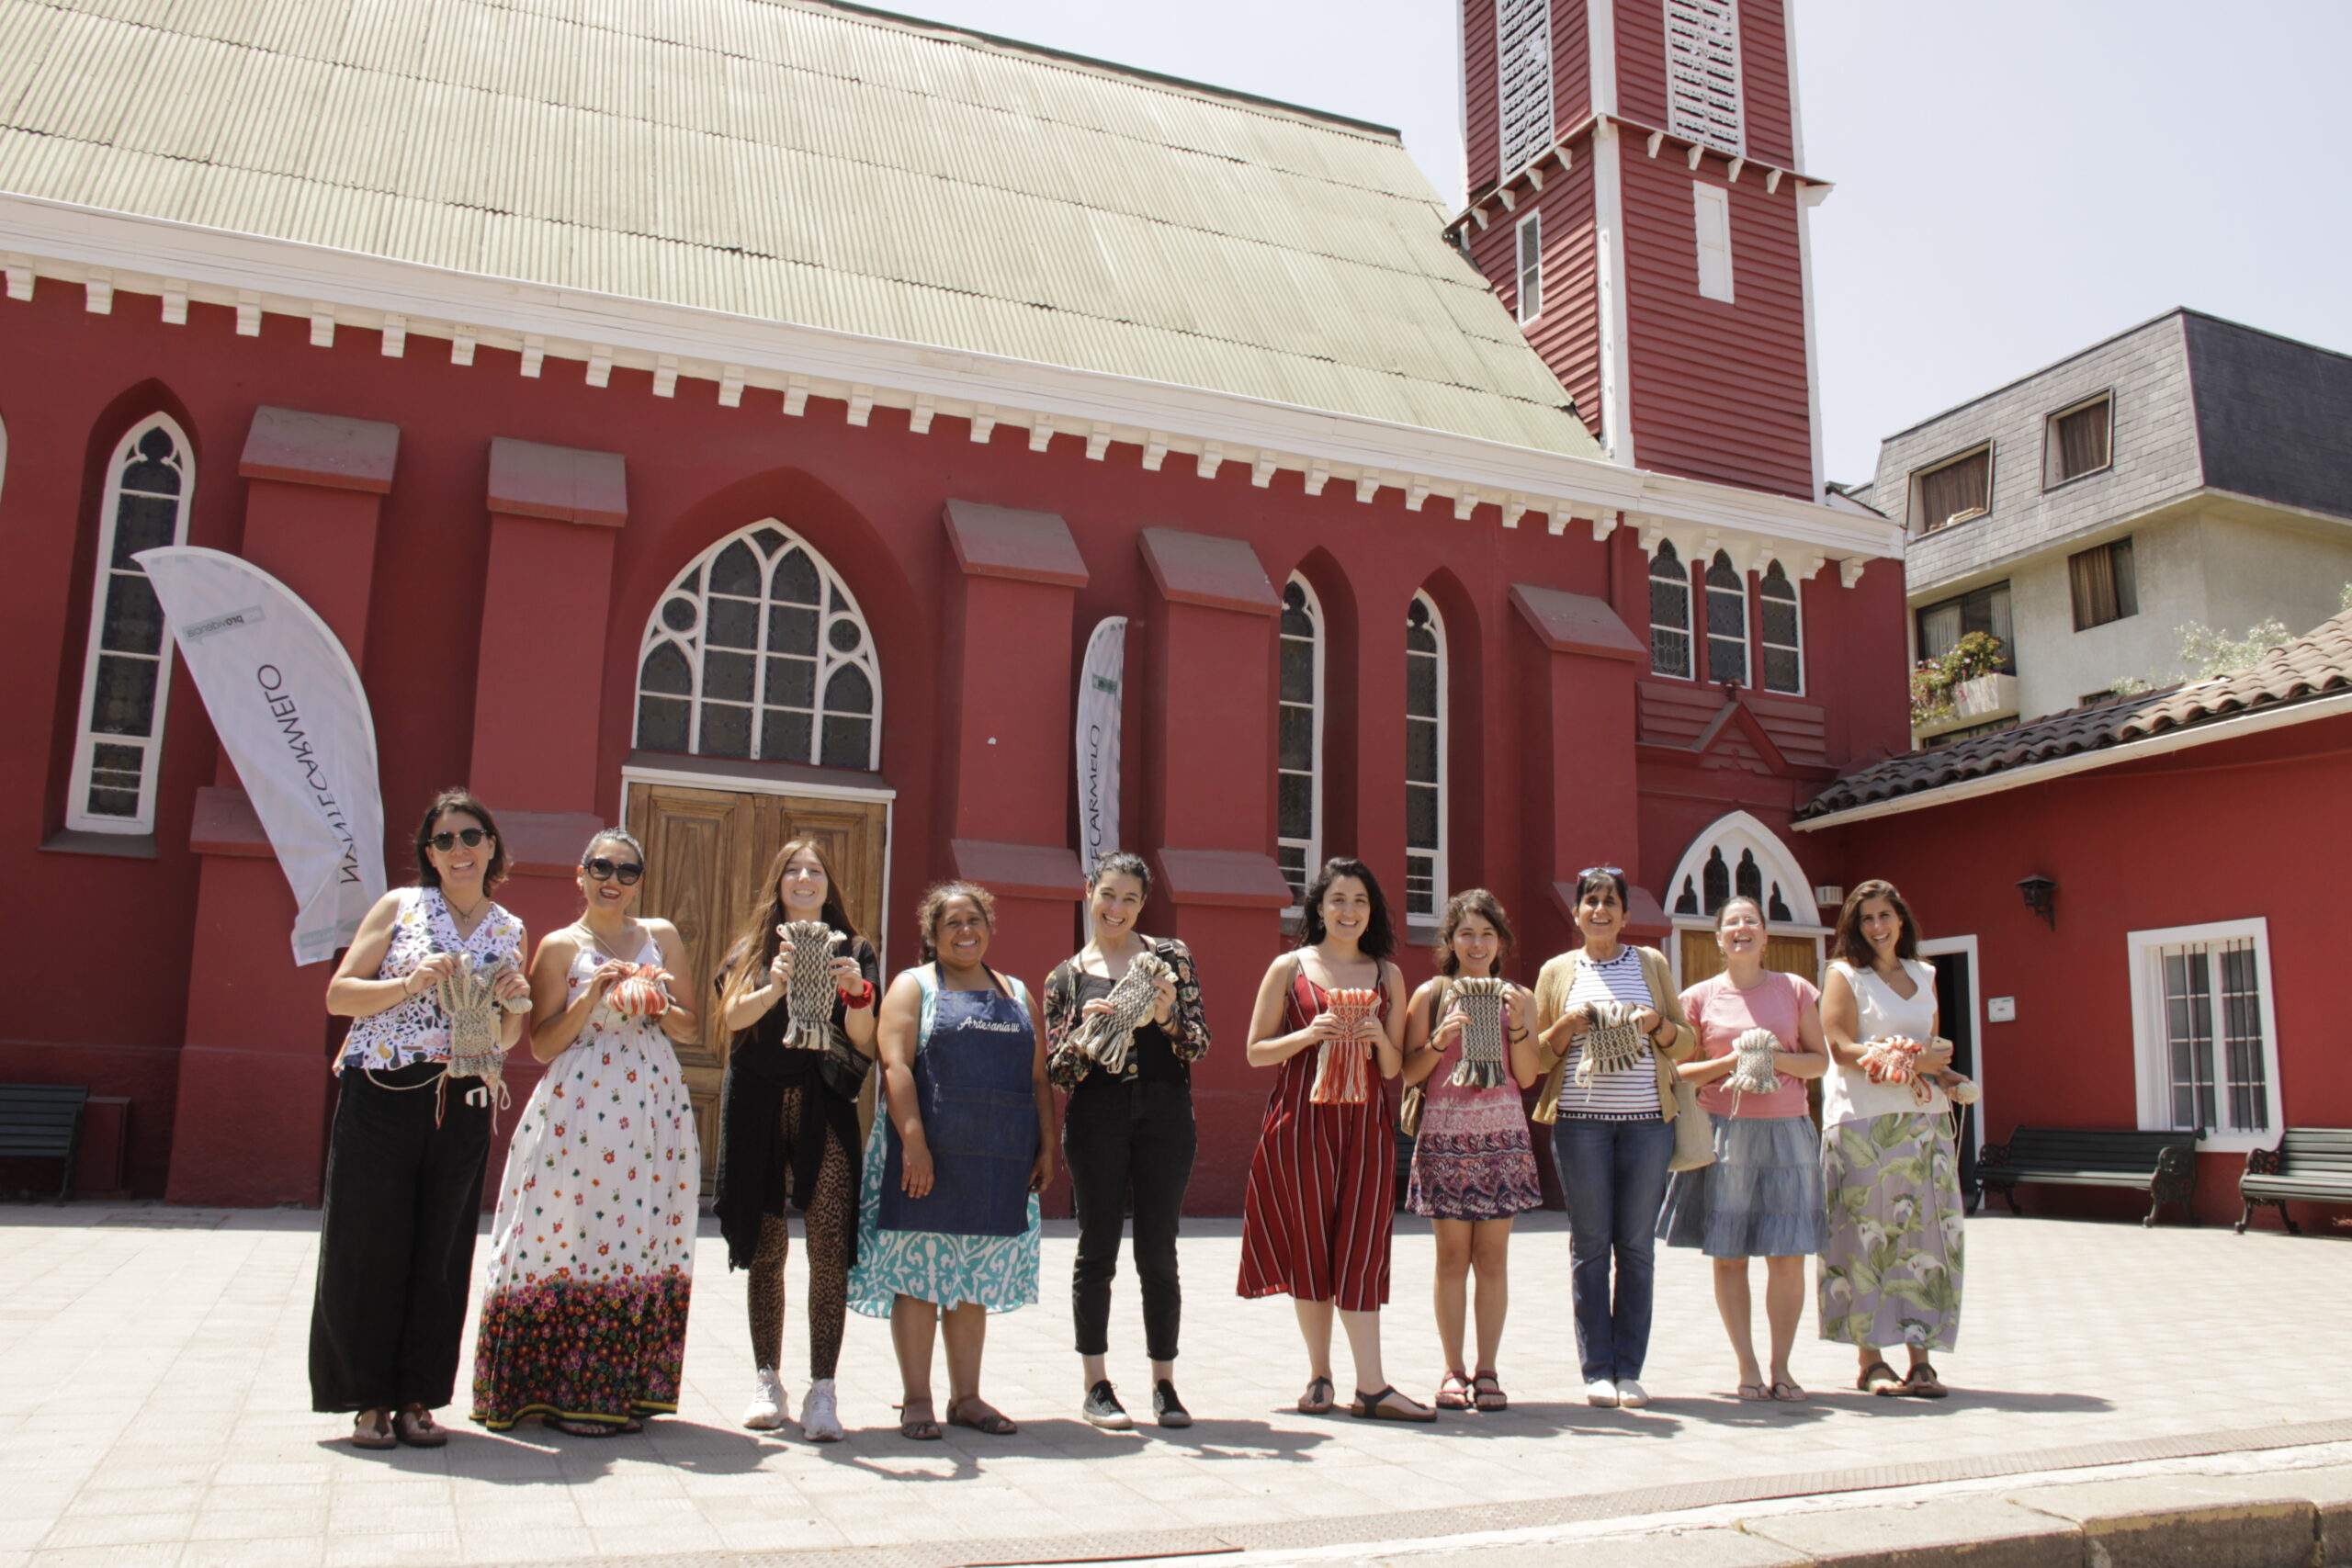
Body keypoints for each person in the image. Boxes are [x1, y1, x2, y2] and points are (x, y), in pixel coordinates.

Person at [466, 829, 700, 1436]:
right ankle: (554, 1390)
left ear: (638, 880)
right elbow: (541, 1043)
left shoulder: (662, 937)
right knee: (568, 1229)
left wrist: (655, 1000)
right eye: (601, 866)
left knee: (638, 1234)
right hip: (581, 1101)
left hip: (653, 1103)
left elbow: (689, 1027)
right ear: (580, 873)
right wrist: (593, 991)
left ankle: (617, 1391)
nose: (612, 879)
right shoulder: (559, 946)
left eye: (626, 870)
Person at [314, 790, 529, 1450]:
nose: (458, 850)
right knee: (368, 1245)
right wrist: (409, 984)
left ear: (491, 846)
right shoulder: (399, 907)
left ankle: (416, 1397)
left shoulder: (510, 928)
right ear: (429, 854)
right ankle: (367, 1399)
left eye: (471, 837)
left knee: (440, 1251)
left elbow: (507, 1035)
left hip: (463, 1095)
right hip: (383, 1086)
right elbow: (339, 992)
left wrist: (515, 1003)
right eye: (444, 840)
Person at [847, 882, 1053, 1440]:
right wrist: (914, 1143)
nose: (966, 932)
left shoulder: (1015, 992)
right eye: (952, 924)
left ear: (989, 927)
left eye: (974, 921)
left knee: (971, 1284)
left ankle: (968, 1398)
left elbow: (1037, 1077)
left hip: (996, 1160)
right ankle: (917, 1400)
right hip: (926, 1157)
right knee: (917, 1280)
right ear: (932, 936)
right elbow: (895, 1066)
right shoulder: (912, 987)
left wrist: (1047, 1146)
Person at [1237, 858, 1430, 1423]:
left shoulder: (1388, 975)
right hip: (1301, 1122)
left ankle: (1371, 1384)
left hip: (1366, 1126)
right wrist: (1306, 1033)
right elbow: (1254, 1051)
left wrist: (1376, 1037)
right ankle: (1320, 1376)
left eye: (1360, 901)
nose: (1349, 911)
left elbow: (1394, 1070)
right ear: (1319, 907)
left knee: (1362, 1248)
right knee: (1310, 1247)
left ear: (1372, 912)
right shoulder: (1288, 967)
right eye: (1338, 900)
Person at [713, 839, 882, 1444]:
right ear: (778, 882)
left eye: (815, 869)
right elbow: (731, 1018)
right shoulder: (753, 950)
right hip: (759, 1102)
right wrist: (777, 982)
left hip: (824, 1104)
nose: (805, 877)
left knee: (828, 1247)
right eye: (793, 869)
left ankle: (823, 1389)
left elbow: (863, 1040)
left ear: (828, 882)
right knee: (767, 1246)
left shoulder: (854, 949)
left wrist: (856, 992)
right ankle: (767, 1379)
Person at [1044, 852, 1211, 1430]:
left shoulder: (1169, 958)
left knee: (1159, 1251)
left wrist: (1165, 1019)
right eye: (1108, 895)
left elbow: (1199, 1043)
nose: (1116, 909)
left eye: (1129, 899)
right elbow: (1057, 1072)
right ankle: (1096, 1383)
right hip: (1098, 1116)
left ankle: (1164, 1384)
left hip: (1165, 1112)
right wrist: (1088, 1035)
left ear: (1143, 905)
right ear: (1090, 892)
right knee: (1097, 1250)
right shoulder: (1065, 976)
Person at [1531, 867, 1696, 1409]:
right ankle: (1597, 1369)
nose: (1600, 910)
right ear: (1576, 913)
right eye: (1590, 902)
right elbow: (1536, 1057)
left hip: (1649, 1123)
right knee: (1590, 1246)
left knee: (1637, 1247)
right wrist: (1568, 1027)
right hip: (1581, 1125)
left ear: (1626, 915)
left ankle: (1630, 1369)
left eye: (1610, 903)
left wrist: (1655, 1025)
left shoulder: (1651, 964)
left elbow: (1684, 1044)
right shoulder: (1558, 971)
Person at [1657, 896, 1828, 1402]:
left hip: (1787, 1132)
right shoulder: (1699, 997)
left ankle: (1782, 1365)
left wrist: (1776, 1057)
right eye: (1731, 923)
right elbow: (1678, 1072)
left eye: (1750, 921)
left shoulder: (1796, 990)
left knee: (1787, 1254)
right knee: (1730, 1255)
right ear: (1718, 939)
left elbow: (1819, 1062)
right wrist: (1731, 1059)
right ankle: (1748, 1365)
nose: (1741, 929)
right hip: (1724, 1132)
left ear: (1765, 935)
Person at [1818, 880, 1964, 1400]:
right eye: (1867, 919)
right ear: (1855, 928)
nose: (1877, 927)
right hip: (1862, 1123)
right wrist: (1912, 1062)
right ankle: (1870, 1360)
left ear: (1902, 919)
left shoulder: (1925, 975)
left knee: (1924, 1236)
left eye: (1885, 916)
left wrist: (1946, 1075)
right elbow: (1838, 1046)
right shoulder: (1844, 975)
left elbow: (1932, 1047)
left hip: (1925, 1121)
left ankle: (1921, 1359)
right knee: (1867, 1236)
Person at [1400, 889, 1543, 1413]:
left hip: (1501, 1139)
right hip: (1445, 1139)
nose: (1477, 943)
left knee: (1493, 1258)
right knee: (1451, 1258)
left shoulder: (1518, 996)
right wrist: (1440, 1040)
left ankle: (1488, 1369)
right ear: (1450, 941)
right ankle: (1452, 1369)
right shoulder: (1432, 995)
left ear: (1500, 941)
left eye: (1487, 934)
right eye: (1467, 933)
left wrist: (1520, 1024)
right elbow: (1407, 1072)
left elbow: (1527, 1075)